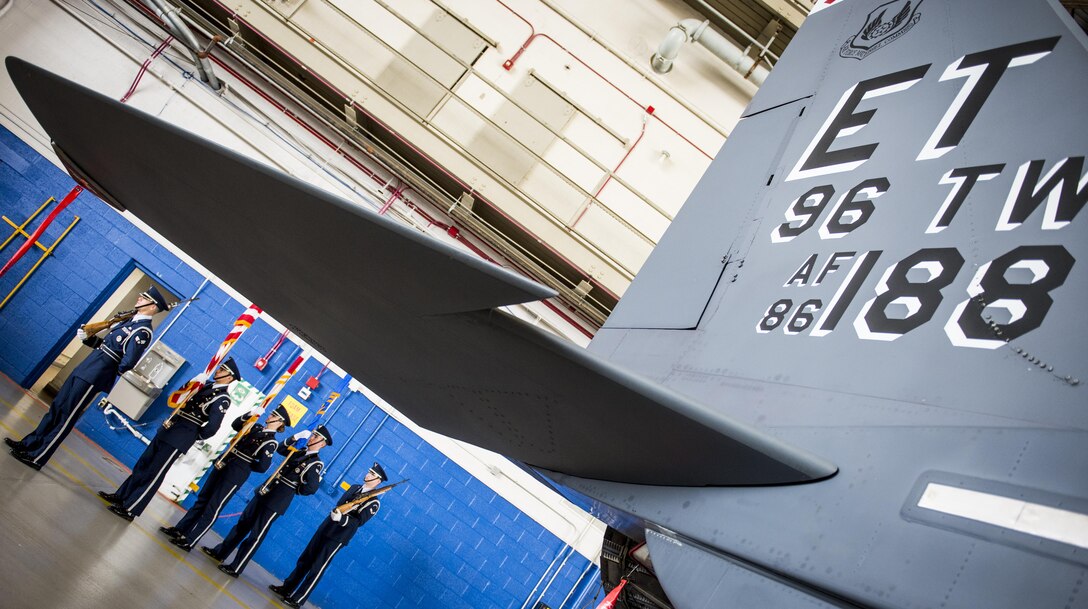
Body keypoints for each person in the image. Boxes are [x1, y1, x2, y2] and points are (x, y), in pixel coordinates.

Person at [6, 287, 167, 470]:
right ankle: (30, 443)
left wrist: (106, 368)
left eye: (144, 298)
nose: (139, 299)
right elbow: (107, 347)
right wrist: (88, 339)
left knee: (66, 416)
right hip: (85, 368)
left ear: (153, 307)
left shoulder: (143, 332)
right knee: (57, 407)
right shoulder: (130, 321)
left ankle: (38, 456)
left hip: (95, 375)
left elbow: (127, 362)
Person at [99, 358, 239, 521]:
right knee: (144, 464)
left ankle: (132, 507)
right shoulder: (205, 385)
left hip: (182, 436)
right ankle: (122, 496)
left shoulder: (222, 398)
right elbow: (180, 397)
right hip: (171, 427)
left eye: (222, 371)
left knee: (154, 472)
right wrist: (193, 381)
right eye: (220, 368)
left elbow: (213, 427)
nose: (218, 371)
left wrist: (194, 435)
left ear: (230, 378)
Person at [203, 425, 332, 578]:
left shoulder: (316, 463)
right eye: (313, 435)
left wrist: (293, 489)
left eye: (316, 437)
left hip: (277, 500)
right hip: (266, 491)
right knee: (243, 524)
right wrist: (295, 437)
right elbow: (281, 449)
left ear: (323, 444)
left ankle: (236, 567)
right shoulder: (299, 450)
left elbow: (311, 488)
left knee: (255, 535)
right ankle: (220, 552)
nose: (312, 437)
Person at [160, 404, 289, 551]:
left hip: (235, 473)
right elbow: (236, 425)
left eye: (273, 415)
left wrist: (244, 465)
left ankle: (190, 540)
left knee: (213, 507)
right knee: (203, 499)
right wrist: (249, 413)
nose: (270, 416)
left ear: (280, 422)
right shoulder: (255, 427)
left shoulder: (271, 442)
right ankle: (181, 530)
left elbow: (262, 467)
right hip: (224, 463)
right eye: (271, 413)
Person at [270, 463, 388, 608]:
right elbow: (340, 503)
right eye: (369, 472)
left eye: (372, 474)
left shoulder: (374, 502)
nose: (368, 475)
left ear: (378, 481)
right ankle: (286, 588)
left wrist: (342, 518)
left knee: (317, 567)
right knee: (305, 559)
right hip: (327, 525)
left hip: (338, 535)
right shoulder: (355, 488)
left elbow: (359, 521)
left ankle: (298, 599)